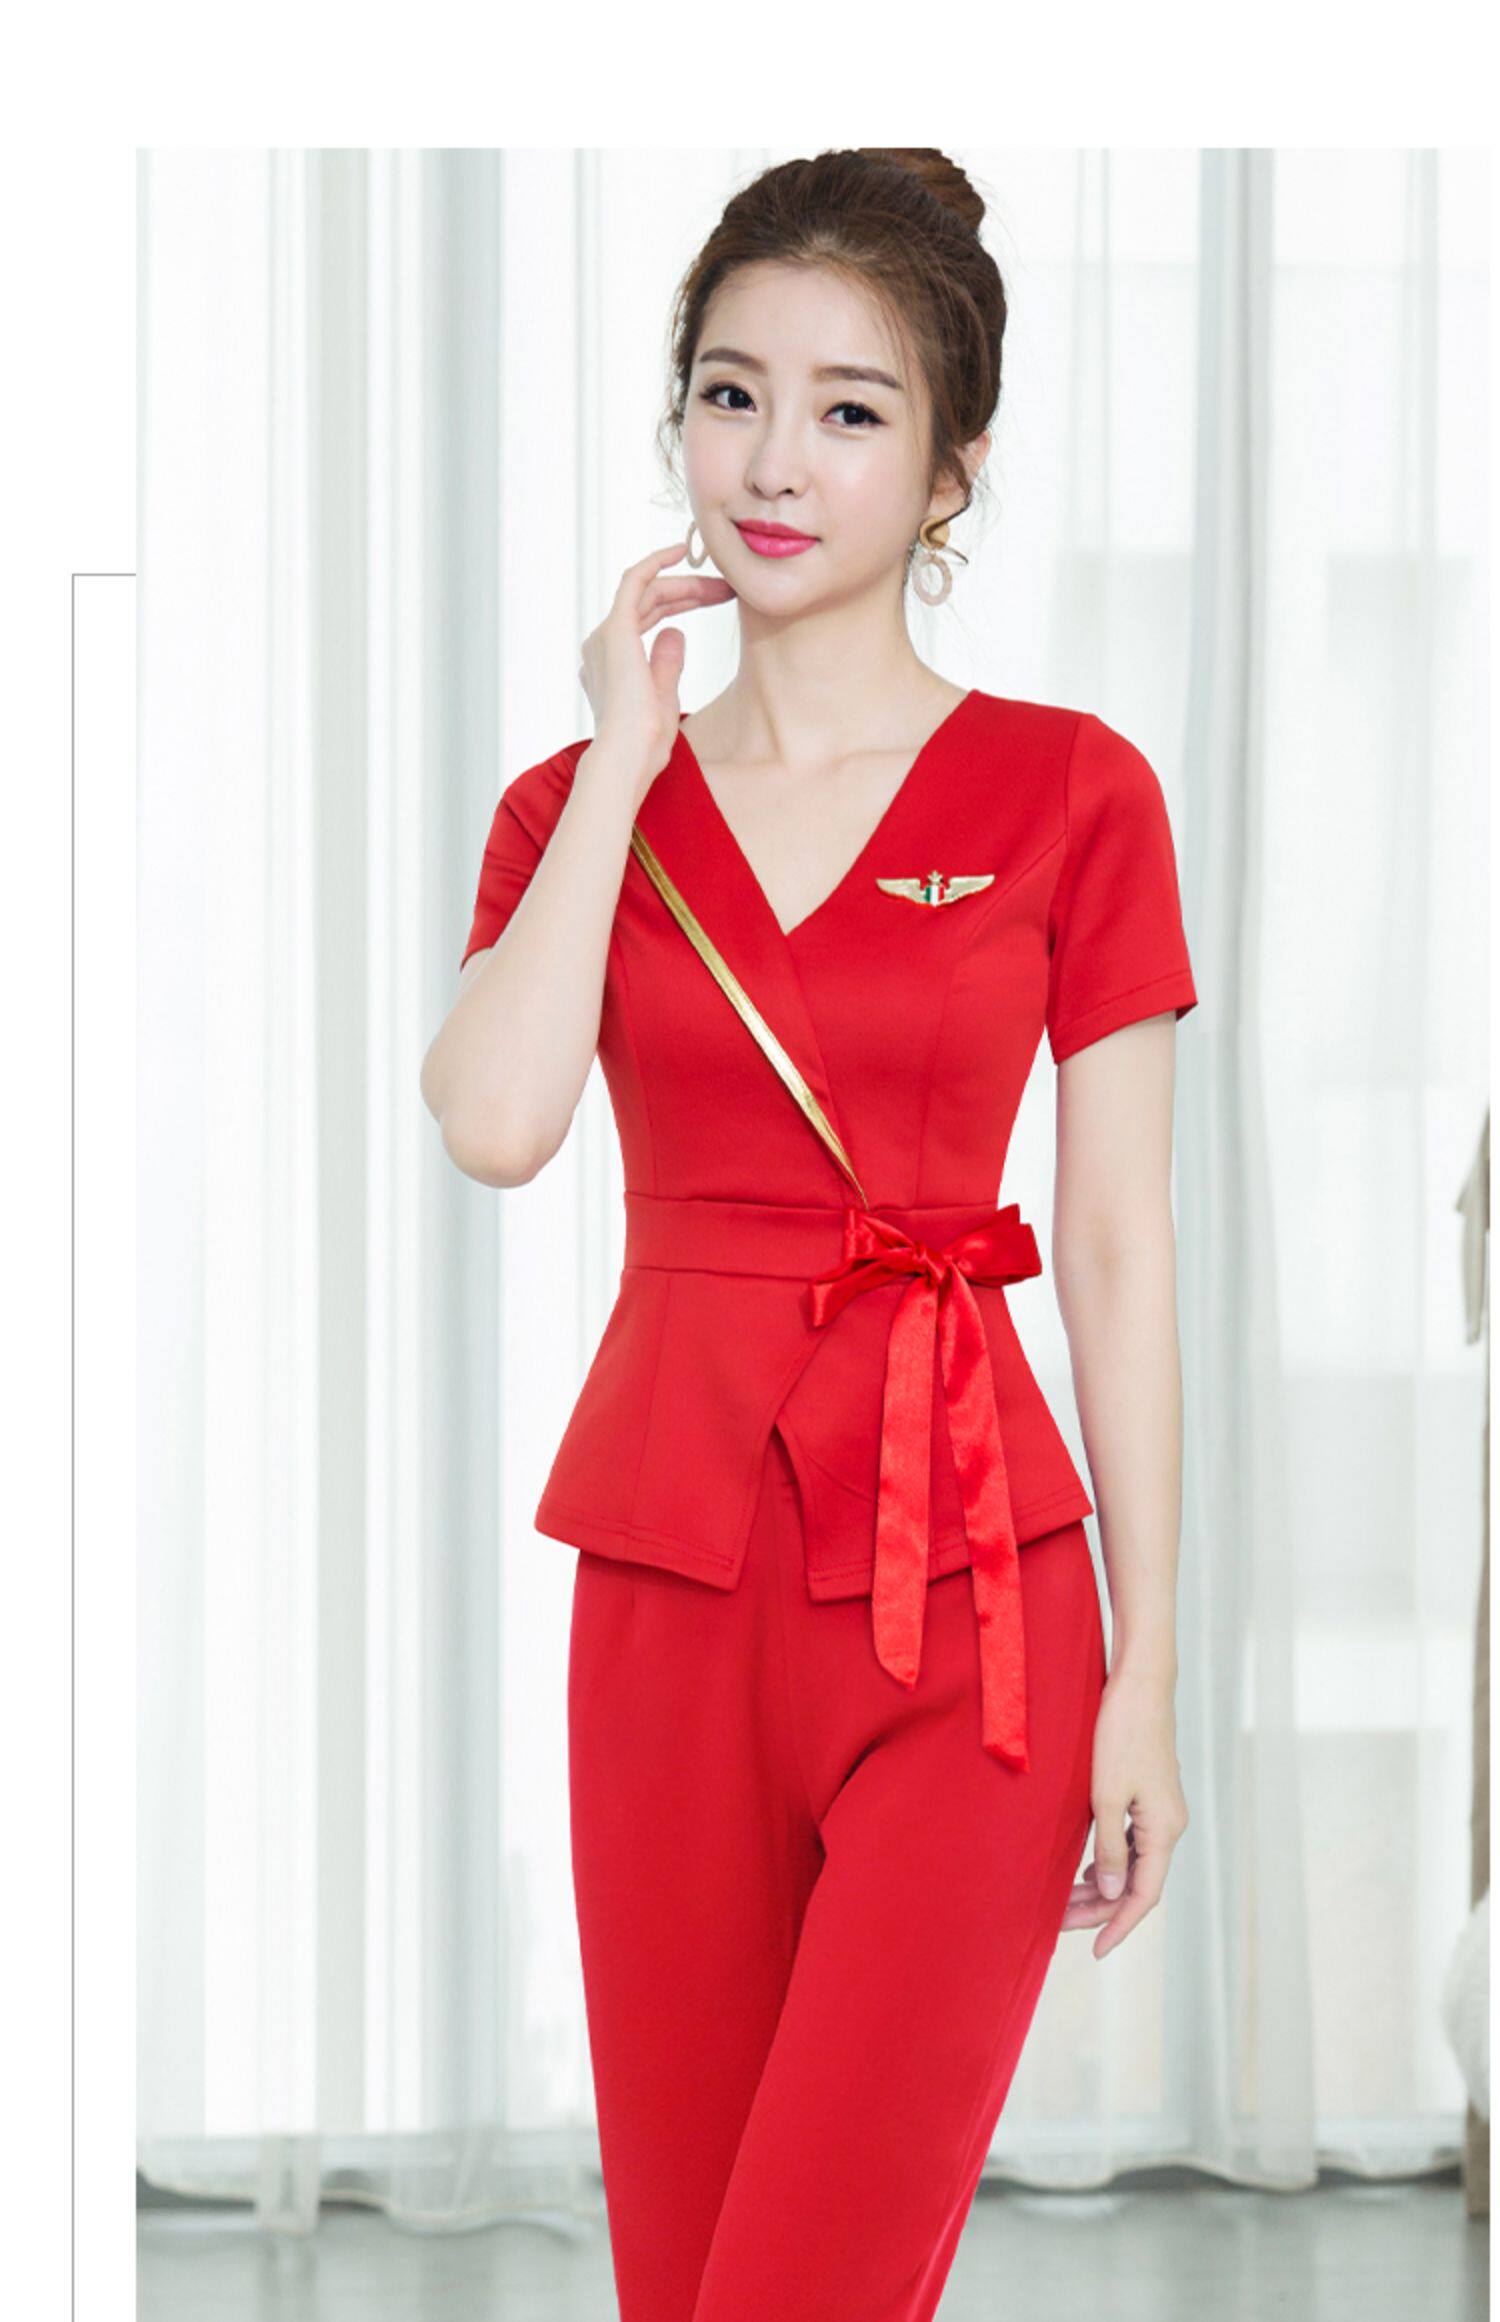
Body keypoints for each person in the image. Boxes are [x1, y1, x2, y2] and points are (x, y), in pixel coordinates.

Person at [421, 146, 1197, 2322]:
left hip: (979, 1614)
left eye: (852, 410)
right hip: (670, 1592)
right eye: (731, 393)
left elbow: (1120, 1249)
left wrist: (1149, 1671)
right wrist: (620, 757)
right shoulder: (577, 808)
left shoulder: (1076, 793)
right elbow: (495, 1122)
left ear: (952, 468)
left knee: (813, 2284)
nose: (775, 461)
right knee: (686, 2283)